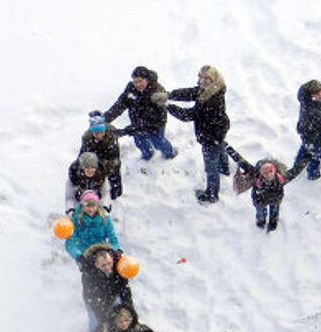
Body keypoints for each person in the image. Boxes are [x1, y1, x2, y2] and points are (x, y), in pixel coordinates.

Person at [156, 65, 230, 204]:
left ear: (213, 80)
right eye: (200, 77)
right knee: (220, 149)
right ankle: (224, 168)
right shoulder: (212, 90)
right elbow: (190, 93)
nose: (202, 81)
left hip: (210, 136)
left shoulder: (211, 100)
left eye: (207, 78)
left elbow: (188, 115)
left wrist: (167, 106)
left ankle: (212, 194)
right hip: (218, 132)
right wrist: (169, 95)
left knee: (210, 167)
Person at [224, 144, 306, 232]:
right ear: (261, 173)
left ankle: (273, 222)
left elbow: (295, 170)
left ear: (274, 171)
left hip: (275, 200)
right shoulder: (255, 174)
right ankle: (261, 221)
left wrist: (307, 158)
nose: (268, 174)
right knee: (260, 213)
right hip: (260, 200)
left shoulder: (281, 179)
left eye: (270, 171)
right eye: (265, 172)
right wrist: (228, 148)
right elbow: (241, 161)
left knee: (274, 211)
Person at [103, 66, 177, 162]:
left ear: (147, 79)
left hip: (155, 125)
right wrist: (104, 119)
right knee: (140, 142)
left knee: (158, 142)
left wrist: (124, 131)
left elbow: (152, 119)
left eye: (140, 81)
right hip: (137, 124)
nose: (138, 84)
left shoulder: (156, 92)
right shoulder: (131, 89)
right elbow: (119, 105)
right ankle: (148, 155)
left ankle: (169, 154)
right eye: (135, 81)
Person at [79, 243, 137, 332]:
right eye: (103, 265)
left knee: (121, 314)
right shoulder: (88, 275)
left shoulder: (119, 267)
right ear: (96, 264)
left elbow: (125, 291)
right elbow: (94, 300)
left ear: (112, 260)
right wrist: (103, 321)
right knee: (97, 324)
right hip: (95, 299)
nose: (107, 267)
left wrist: (130, 311)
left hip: (112, 293)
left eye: (109, 263)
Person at [293, 78, 321, 180]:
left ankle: (297, 165)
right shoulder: (316, 112)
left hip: (307, 135)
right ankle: (313, 174)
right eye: (317, 94)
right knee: (316, 156)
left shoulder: (307, 101)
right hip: (317, 139)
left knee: (304, 149)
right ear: (312, 96)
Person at [64, 191, 120, 261]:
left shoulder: (104, 218)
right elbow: (69, 243)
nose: (91, 209)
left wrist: (115, 250)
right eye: (88, 205)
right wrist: (78, 256)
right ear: (82, 206)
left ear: (97, 205)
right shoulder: (75, 219)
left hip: (101, 254)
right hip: (84, 256)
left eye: (93, 205)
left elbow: (113, 238)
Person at [79, 111, 123, 199]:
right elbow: (83, 153)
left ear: (104, 130)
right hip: (96, 153)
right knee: (93, 174)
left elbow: (114, 162)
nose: (99, 135)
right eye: (96, 133)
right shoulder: (87, 139)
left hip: (110, 154)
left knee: (114, 174)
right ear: (92, 133)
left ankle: (116, 193)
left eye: (101, 132)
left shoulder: (112, 138)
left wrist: (103, 167)